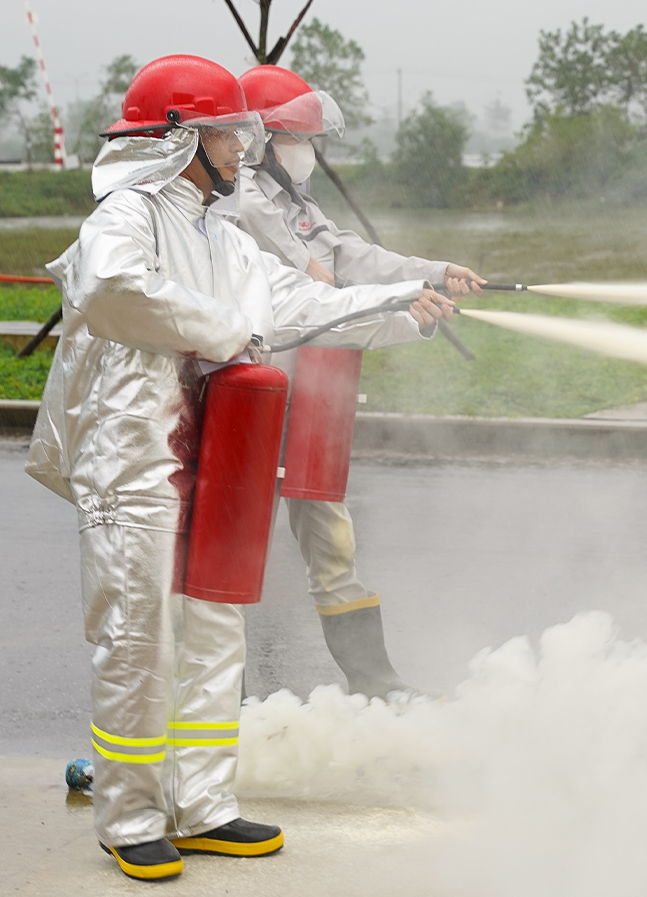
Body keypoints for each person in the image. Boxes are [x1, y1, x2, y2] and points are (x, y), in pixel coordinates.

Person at [25, 54, 455, 882]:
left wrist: (402, 308)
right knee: (139, 639)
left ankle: (205, 804)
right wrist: (225, 332)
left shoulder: (219, 236)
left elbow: (300, 307)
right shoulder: (127, 217)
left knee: (216, 631)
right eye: (228, 136)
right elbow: (113, 290)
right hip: (132, 458)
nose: (241, 153)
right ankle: (131, 816)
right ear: (181, 138)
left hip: (208, 454)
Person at [210, 64, 485, 699]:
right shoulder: (244, 204)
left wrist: (436, 272)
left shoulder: (295, 202)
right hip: (252, 392)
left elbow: (354, 257)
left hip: (315, 388)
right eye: (294, 138)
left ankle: (379, 687)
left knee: (330, 536)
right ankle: (220, 706)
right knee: (230, 546)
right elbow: (314, 294)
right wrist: (401, 308)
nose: (306, 152)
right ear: (258, 139)